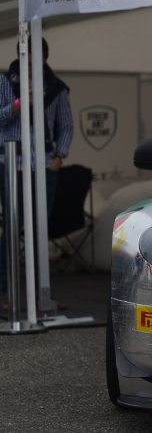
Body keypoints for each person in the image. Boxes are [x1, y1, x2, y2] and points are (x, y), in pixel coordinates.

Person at [0, 37, 73, 308]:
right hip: (12, 165)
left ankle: (42, 293)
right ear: (20, 56)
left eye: (37, 60)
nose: (32, 65)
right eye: (27, 59)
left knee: (40, 229)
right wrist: (18, 105)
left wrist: (59, 157)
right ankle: (7, 292)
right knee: (12, 227)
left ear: (45, 58)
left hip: (44, 166)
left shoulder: (56, 88)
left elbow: (66, 125)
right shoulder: (5, 82)